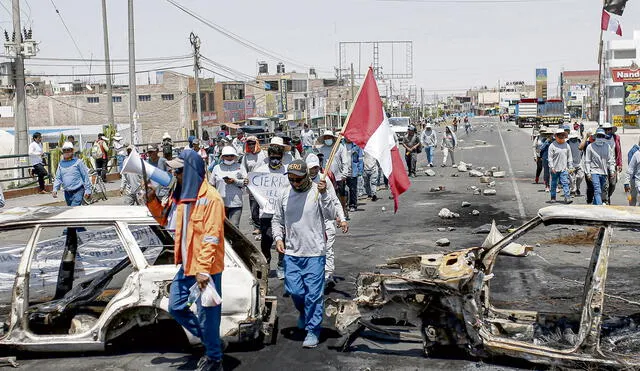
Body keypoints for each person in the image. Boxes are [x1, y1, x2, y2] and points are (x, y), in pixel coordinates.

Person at [146, 149, 225, 371]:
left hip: (205, 269)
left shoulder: (212, 199)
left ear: (190, 172)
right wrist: (152, 201)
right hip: (187, 266)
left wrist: (202, 270)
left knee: (207, 316)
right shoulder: (181, 198)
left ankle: (214, 358)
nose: (174, 175)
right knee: (176, 306)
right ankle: (213, 343)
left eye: (178, 171)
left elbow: (211, 237)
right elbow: (164, 221)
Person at [272, 159, 337, 348]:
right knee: (295, 291)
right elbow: (277, 219)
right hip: (292, 253)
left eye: (298, 180)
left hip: (315, 252)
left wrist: (324, 195)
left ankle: (313, 330)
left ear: (306, 177)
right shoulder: (284, 193)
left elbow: (331, 214)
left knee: (314, 295)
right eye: (291, 179)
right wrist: (278, 238)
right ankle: (304, 312)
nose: (295, 183)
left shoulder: (318, 190)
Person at [306, 154, 348, 287]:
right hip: (310, 223)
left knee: (328, 249)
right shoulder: (301, 181)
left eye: (315, 168)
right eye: (311, 168)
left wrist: (342, 219)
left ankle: (328, 275)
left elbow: (335, 201)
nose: (313, 170)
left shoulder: (324, 180)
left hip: (326, 221)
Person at [254, 143, 288, 279]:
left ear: (282, 157)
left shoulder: (286, 171)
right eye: (272, 157)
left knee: (282, 239)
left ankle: (281, 264)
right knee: (266, 240)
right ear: (268, 157)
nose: (275, 160)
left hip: (281, 213)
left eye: (278, 158)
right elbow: (253, 186)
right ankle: (266, 263)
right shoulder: (261, 170)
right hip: (266, 212)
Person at [210, 146, 246, 227]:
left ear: (235, 156)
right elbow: (211, 184)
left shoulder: (240, 167)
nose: (229, 158)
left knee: (234, 227)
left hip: (236, 203)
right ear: (222, 157)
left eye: (231, 156)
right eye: (227, 156)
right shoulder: (217, 168)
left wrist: (235, 181)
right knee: (223, 228)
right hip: (221, 203)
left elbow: (246, 182)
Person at [316, 130, 349, 218]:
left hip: (338, 175)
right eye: (326, 138)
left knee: (341, 194)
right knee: (331, 194)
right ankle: (335, 213)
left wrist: (344, 174)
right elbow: (321, 162)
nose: (327, 139)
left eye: (329, 137)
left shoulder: (340, 147)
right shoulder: (322, 149)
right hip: (327, 175)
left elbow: (345, 161)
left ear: (332, 138)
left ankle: (343, 208)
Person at [242, 136, 267, 236]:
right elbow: (243, 168)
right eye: (249, 144)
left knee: (263, 206)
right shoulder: (246, 156)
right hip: (252, 185)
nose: (251, 146)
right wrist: (245, 177)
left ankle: (264, 226)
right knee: (253, 207)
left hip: (263, 185)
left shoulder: (264, 154)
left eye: (253, 143)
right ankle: (256, 226)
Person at [52, 142, 91, 206]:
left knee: (74, 208)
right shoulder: (61, 164)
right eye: (65, 150)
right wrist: (55, 189)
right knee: (71, 210)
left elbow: (85, 176)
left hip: (78, 190)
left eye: (68, 150)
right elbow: (58, 178)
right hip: (67, 192)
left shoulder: (78, 162)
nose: (66, 152)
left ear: (72, 151)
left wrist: (88, 190)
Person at [585, 128, 615, 206]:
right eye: (599, 135)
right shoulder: (590, 147)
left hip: (604, 172)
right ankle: (600, 207)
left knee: (600, 191)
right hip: (594, 171)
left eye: (602, 136)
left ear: (604, 137)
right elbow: (587, 161)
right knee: (597, 190)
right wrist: (588, 173)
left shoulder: (607, 147)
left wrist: (612, 171)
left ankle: (595, 207)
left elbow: (611, 160)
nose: (600, 137)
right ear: (596, 136)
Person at [548, 128, 574, 204]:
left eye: (563, 135)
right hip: (555, 169)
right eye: (560, 135)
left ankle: (567, 197)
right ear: (556, 136)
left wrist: (571, 166)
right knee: (554, 184)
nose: (561, 137)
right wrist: (552, 167)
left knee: (565, 183)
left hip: (564, 169)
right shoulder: (552, 146)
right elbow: (550, 158)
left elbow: (569, 157)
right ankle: (553, 197)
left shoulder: (567, 145)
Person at [601, 122, 623, 204]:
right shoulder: (600, 137)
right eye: (605, 130)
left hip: (613, 164)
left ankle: (608, 196)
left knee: (613, 184)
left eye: (608, 129)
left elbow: (619, 151)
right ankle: (605, 200)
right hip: (603, 164)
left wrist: (620, 163)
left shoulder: (616, 138)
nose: (607, 131)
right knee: (605, 184)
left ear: (611, 130)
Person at [344, 138, 363, 212]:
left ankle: (352, 205)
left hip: (353, 171)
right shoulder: (341, 145)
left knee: (353, 189)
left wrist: (360, 171)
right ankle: (344, 204)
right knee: (343, 190)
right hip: (343, 172)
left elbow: (360, 159)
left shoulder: (356, 146)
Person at [567, 131, 584, 197]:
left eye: (575, 138)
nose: (573, 139)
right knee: (572, 178)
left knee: (581, 176)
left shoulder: (579, 142)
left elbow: (582, 152)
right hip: (571, 164)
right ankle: (573, 191)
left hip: (579, 163)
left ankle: (577, 187)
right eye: (572, 138)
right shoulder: (568, 143)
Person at [625, 138, 640, 206]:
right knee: (633, 197)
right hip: (636, 180)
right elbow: (630, 169)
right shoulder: (636, 154)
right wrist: (626, 182)